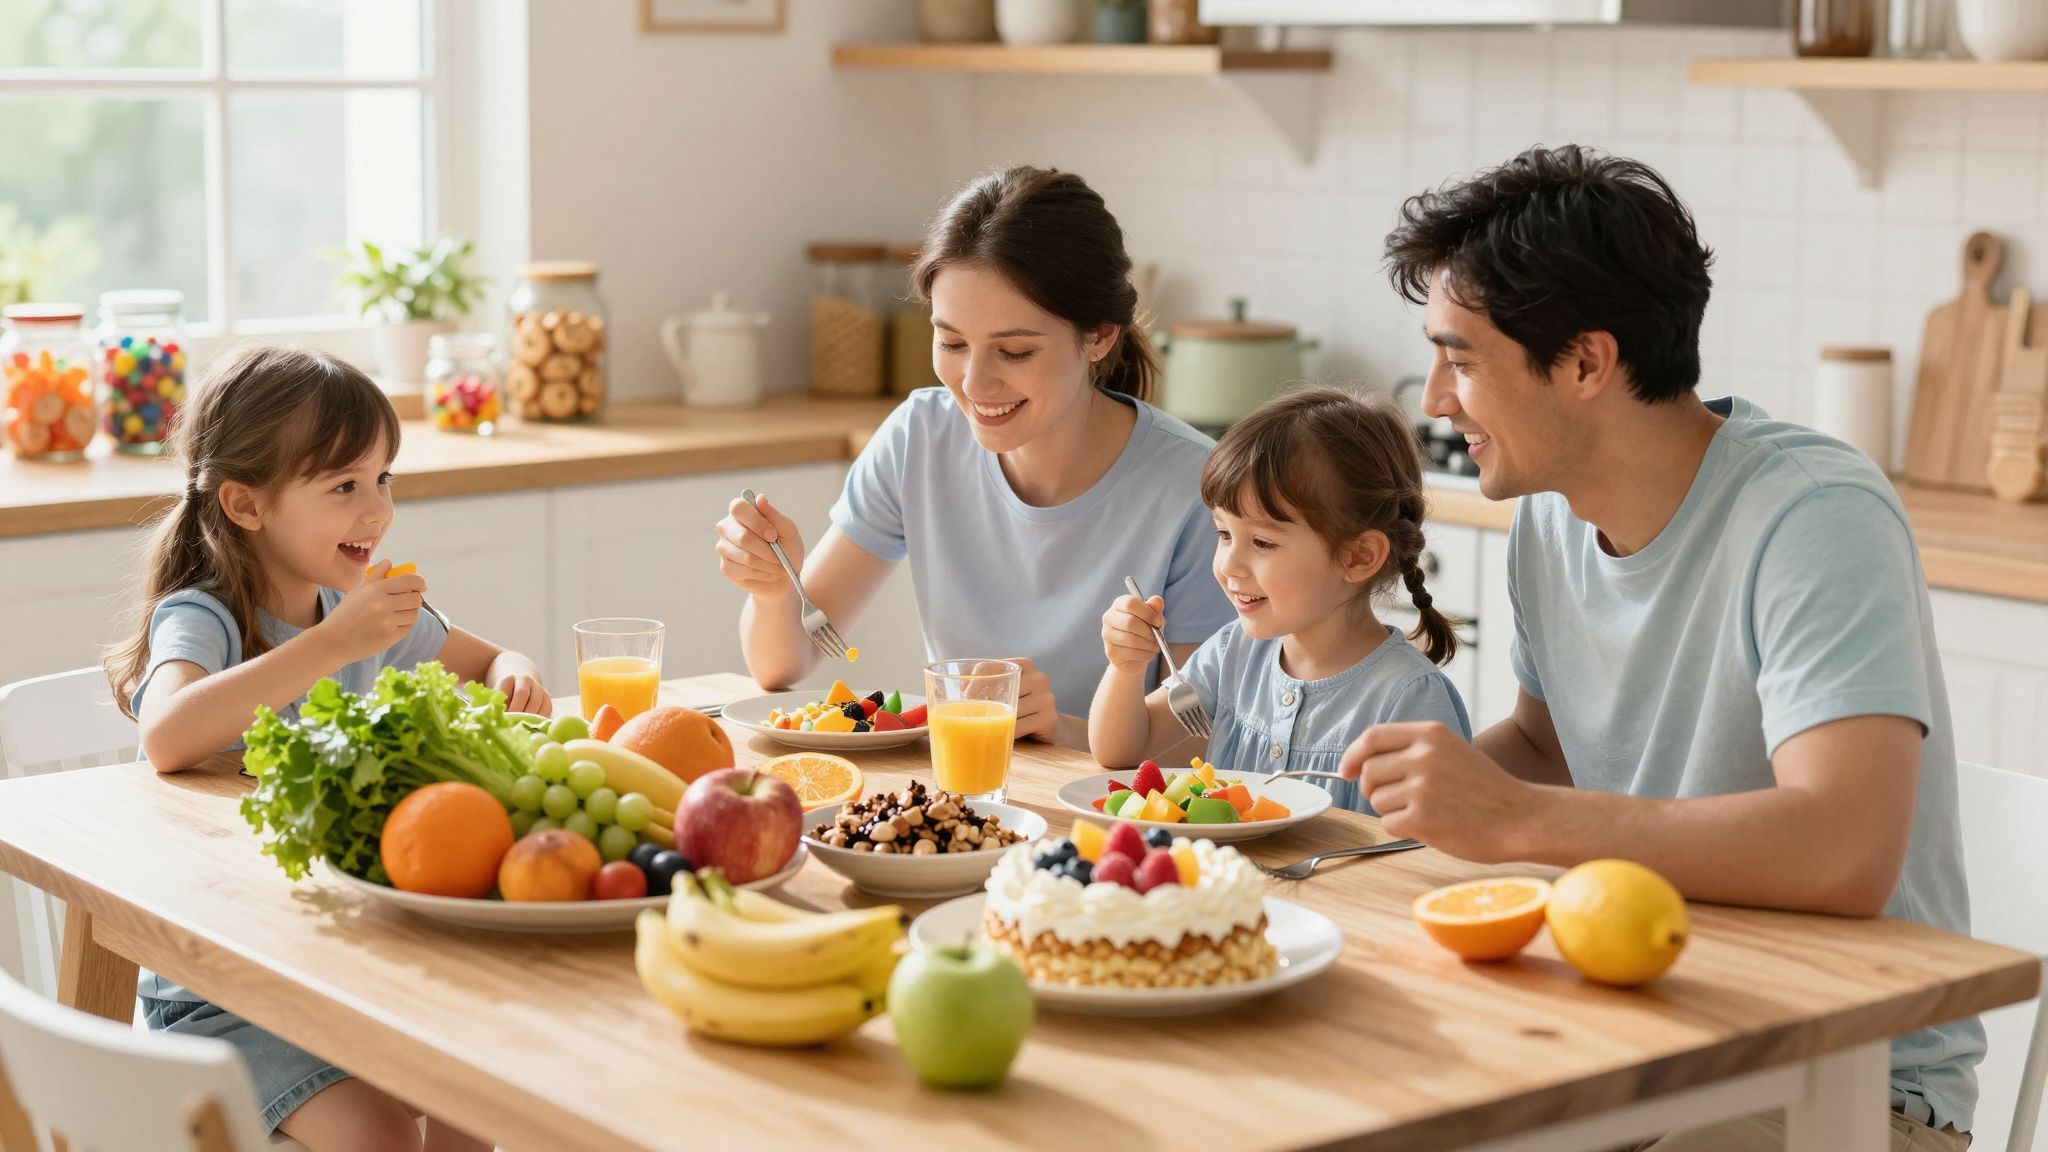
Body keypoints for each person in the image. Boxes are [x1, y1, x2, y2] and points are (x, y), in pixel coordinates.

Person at [1340, 144, 1979, 1151]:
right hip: (1620, 1030)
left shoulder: (1810, 517)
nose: (1432, 398)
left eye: (1460, 359)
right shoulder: (1550, 518)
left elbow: (1845, 850)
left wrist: (1511, 818)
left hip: (1841, 1081)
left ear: (1586, 362)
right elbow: (1548, 753)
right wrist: (1346, 808)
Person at [105, 346, 545, 1151]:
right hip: (220, 990)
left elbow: (491, 660)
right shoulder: (205, 616)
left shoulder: (364, 611)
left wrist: (516, 673)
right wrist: (332, 644)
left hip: (343, 966)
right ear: (245, 504)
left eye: (384, 480)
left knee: (480, 1093)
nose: (375, 512)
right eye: (343, 487)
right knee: (382, 1138)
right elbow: (165, 734)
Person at [716, 166, 1232, 745]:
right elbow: (781, 665)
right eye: (953, 342)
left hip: (1119, 820)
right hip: (962, 799)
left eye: (1013, 351)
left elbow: (1210, 737)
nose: (975, 383)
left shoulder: (1195, 487)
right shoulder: (920, 437)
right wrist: (774, 590)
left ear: (1099, 337)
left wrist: (1062, 729)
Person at [1092, 386, 1469, 811]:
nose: (1229, 565)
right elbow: (1120, 752)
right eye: (1224, 534)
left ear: (1359, 556)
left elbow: (1429, 850)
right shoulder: (1233, 653)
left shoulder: (1408, 697)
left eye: (1263, 543)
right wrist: (1125, 667)